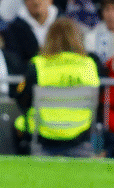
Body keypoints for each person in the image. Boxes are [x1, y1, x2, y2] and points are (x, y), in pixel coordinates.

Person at [14, 18, 100, 157]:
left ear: (49, 38)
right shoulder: (90, 64)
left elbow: (22, 100)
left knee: (18, 122)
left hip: (42, 136)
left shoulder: (38, 65)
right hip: (80, 135)